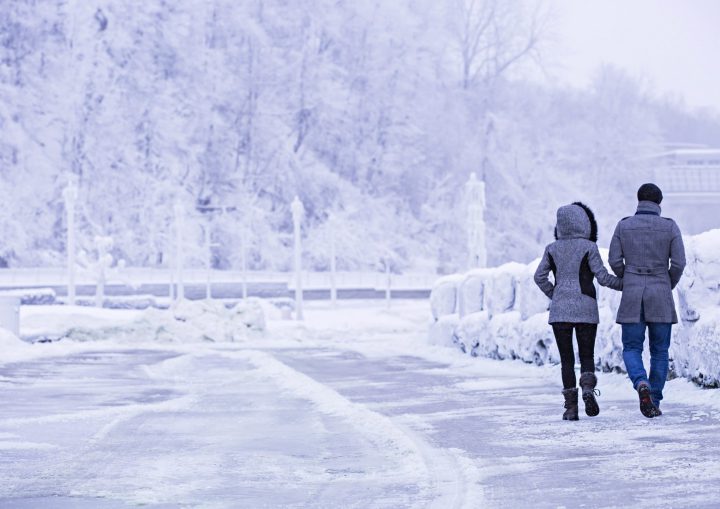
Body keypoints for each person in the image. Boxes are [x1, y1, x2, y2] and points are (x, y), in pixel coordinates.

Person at [534, 202, 623, 421]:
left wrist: (555, 295)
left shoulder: (552, 248)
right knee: (586, 355)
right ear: (585, 222)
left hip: (560, 312)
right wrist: (624, 284)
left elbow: (539, 277)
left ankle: (570, 409)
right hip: (586, 309)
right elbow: (602, 277)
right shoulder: (589, 247)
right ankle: (587, 389)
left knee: (566, 359)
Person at [609, 183, 686, 418]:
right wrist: (666, 283)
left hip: (633, 293)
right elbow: (679, 263)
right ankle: (654, 398)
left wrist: (628, 278)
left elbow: (614, 260)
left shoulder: (623, 226)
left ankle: (641, 382)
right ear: (659, 202)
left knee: (632, 347)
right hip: (661, 293)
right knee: (660, 351)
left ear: (638, 200)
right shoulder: (669, 227)